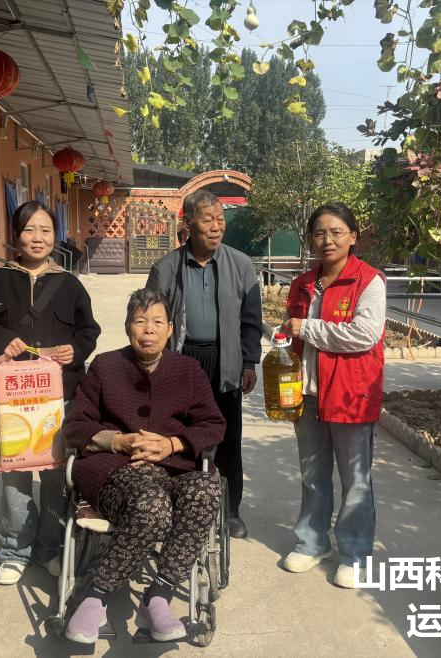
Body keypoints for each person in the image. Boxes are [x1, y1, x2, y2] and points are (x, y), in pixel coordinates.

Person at [62, 288, 225, 644]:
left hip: (176, 466)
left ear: (170, 329)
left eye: (157, 322)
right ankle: (95, 597)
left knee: (207, 490)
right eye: (140, 321)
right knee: (153, 506)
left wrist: (173, 444)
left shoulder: (188, 370)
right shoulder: (105, 366)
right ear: (127, 327)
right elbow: (75, 425)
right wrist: (118, 440)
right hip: (116, 469)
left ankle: (158, 597)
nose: (148, 330)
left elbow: (213, 424)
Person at [0, 200, 101, 586]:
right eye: (29, 229)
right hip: (12, 398)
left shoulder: (69, 285)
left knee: (55, 473)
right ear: (15, 235)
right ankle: (14, 549)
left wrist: (76, 349)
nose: (37, 238)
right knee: (16, 473)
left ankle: (49, 548)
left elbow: (89, 330)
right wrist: (0, 340)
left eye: (45, 230)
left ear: (54, 235)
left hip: (59, 395)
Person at [280, 201, 385, 589]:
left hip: (349, 395)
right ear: (311, 239)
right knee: (313, 475)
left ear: (352, 237)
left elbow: (364, 335)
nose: (327, 240)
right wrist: (284, 338)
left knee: (355, 481)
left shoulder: (368, 281)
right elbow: (294, 332)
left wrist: (306, 327)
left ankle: (355, 554)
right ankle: (312, 543)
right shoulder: (303, 283)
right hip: (307, 393)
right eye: (320, 233)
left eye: (336, 232)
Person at [146, 189, 262, 538]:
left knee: (227, 438)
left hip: (226, 360)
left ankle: (230, 511)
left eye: (220, 220)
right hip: (182, 361)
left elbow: (251, 320)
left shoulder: (241, 265)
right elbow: (151, 318)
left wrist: (249, 361)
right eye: (208, 220)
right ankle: (183, 506)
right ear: (188, 223)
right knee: (180, 435)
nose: (216, 227)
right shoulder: (166, 268)